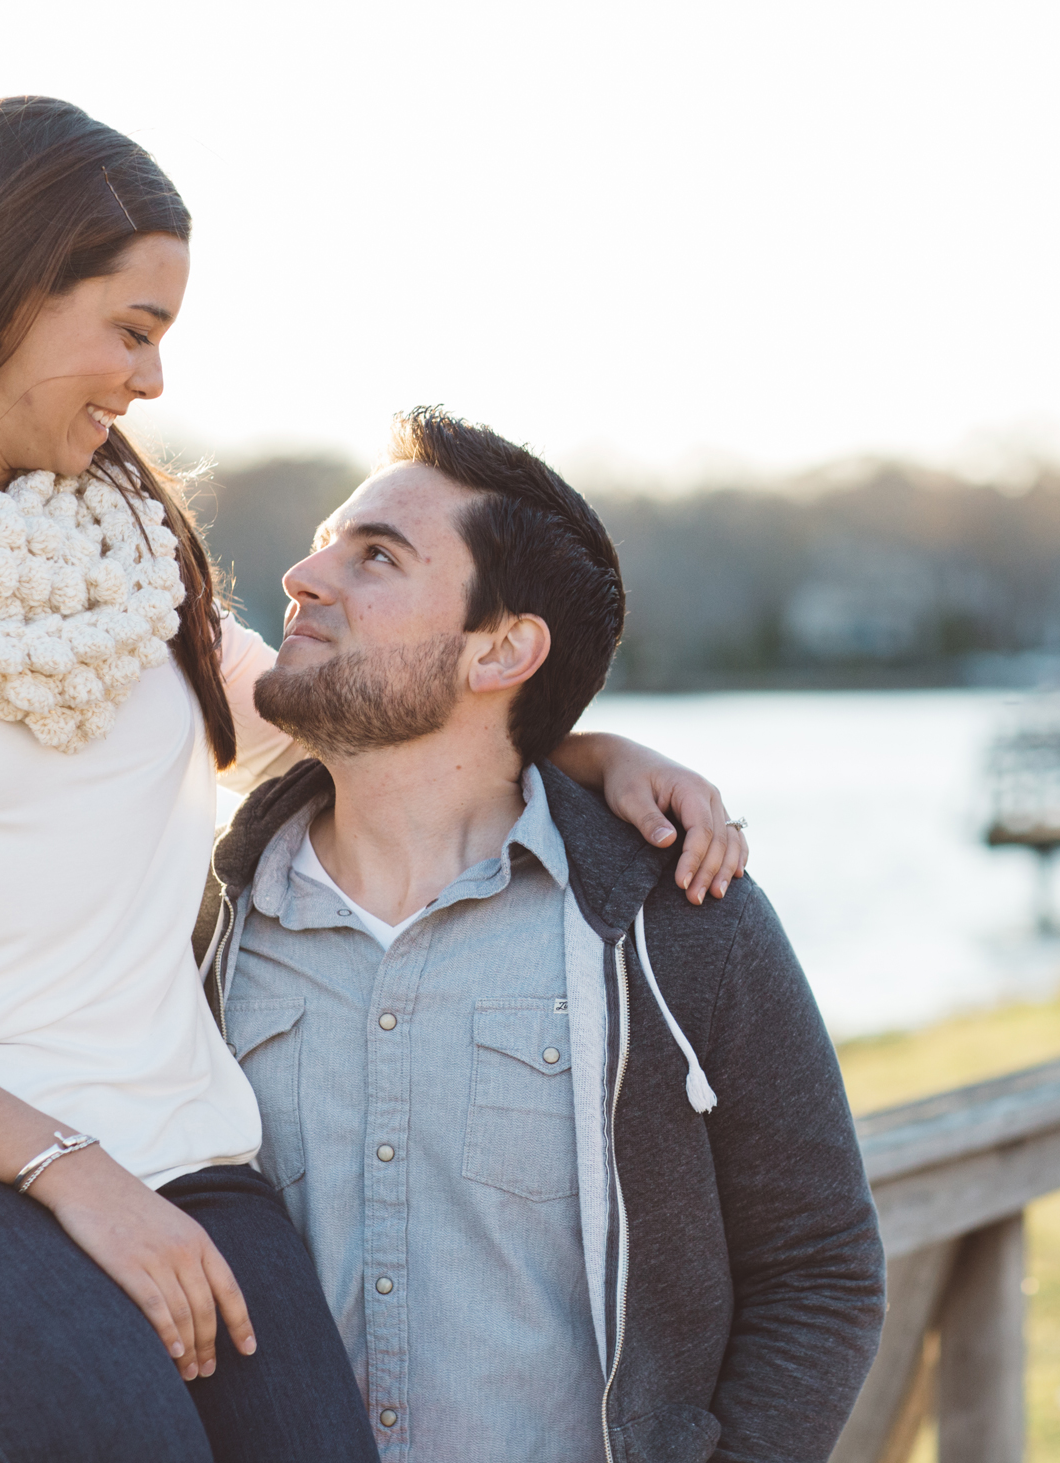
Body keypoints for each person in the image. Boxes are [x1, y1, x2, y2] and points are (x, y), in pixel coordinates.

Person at [0, 97, 747, 1463]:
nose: (153, 382)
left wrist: (585, 745)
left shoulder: (136, 576)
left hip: (177, 1154)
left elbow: (352, 718)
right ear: (9, 289)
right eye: (133, 329)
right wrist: (76, 1176)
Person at [202, 407, 885, 1463]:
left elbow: (818, 1260)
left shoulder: (676, 918)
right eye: (325, 537)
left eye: (374, 555)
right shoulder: (205, 922)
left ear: (502, 648)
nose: (301, 573)